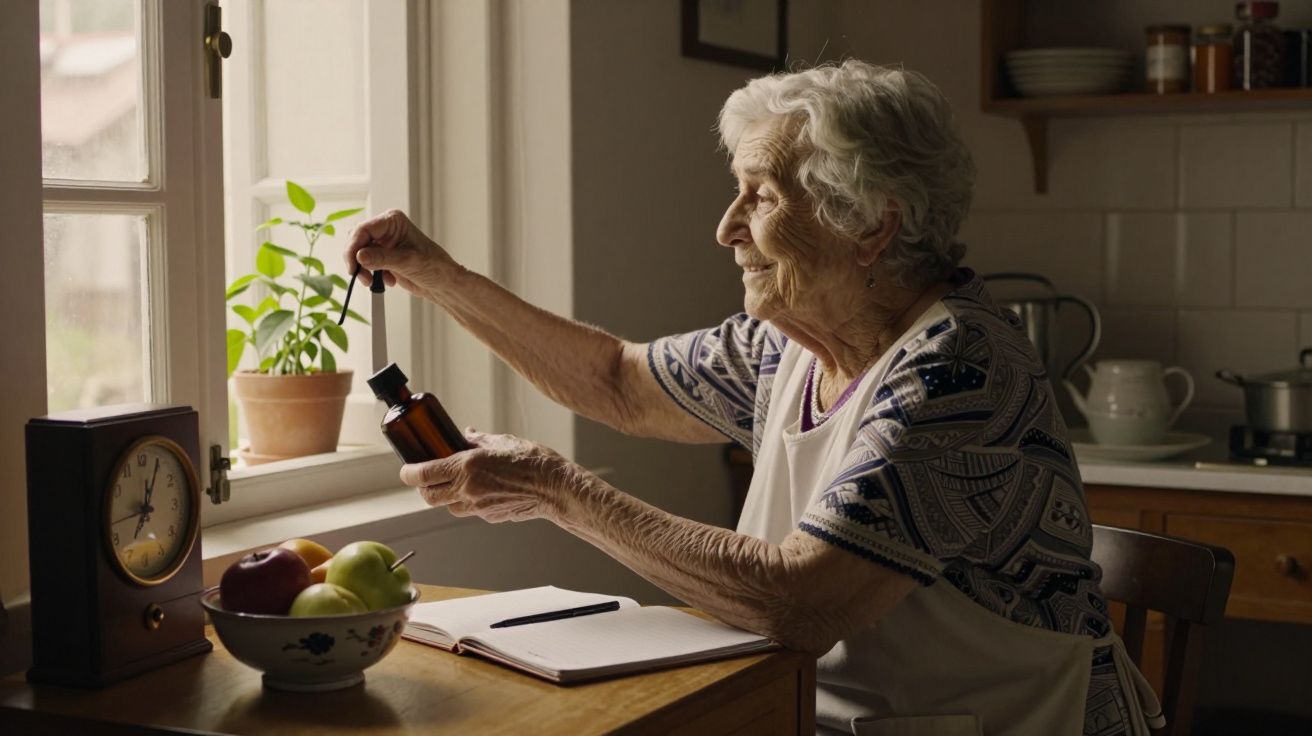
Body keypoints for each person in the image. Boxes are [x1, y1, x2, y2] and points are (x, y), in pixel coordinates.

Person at [344, 60, 1161, 735]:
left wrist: (560, 492)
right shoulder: (787, 345)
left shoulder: (958, 371)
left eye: (762, 195)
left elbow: (799, 603)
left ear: (871, 225)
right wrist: (434, 275)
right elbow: (616, 382)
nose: (728, 227)